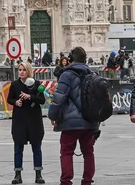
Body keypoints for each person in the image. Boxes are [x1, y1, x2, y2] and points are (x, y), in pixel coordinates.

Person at [48, 47, 99, 185]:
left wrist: (52, 115)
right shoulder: (93, 75)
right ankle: (87, 181)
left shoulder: (66, 75)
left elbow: (59, 98)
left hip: (69, 122)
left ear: (71, 59)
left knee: (66, 152)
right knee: (88, 152)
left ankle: (66, 181)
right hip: (89, 121)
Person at [7, 62, 46, 184]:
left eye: (24, 70)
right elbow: (9, 99)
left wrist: (30, 96)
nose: (21, 72)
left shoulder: (36, 84)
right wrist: (15, 103)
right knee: (18, 148)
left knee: (37, 148)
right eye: (19, 70)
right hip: (20, 119)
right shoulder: (14, 84)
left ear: (28, 71)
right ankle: (17, 174)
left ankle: (38, 174)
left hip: (34, 119)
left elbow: (42, 100)